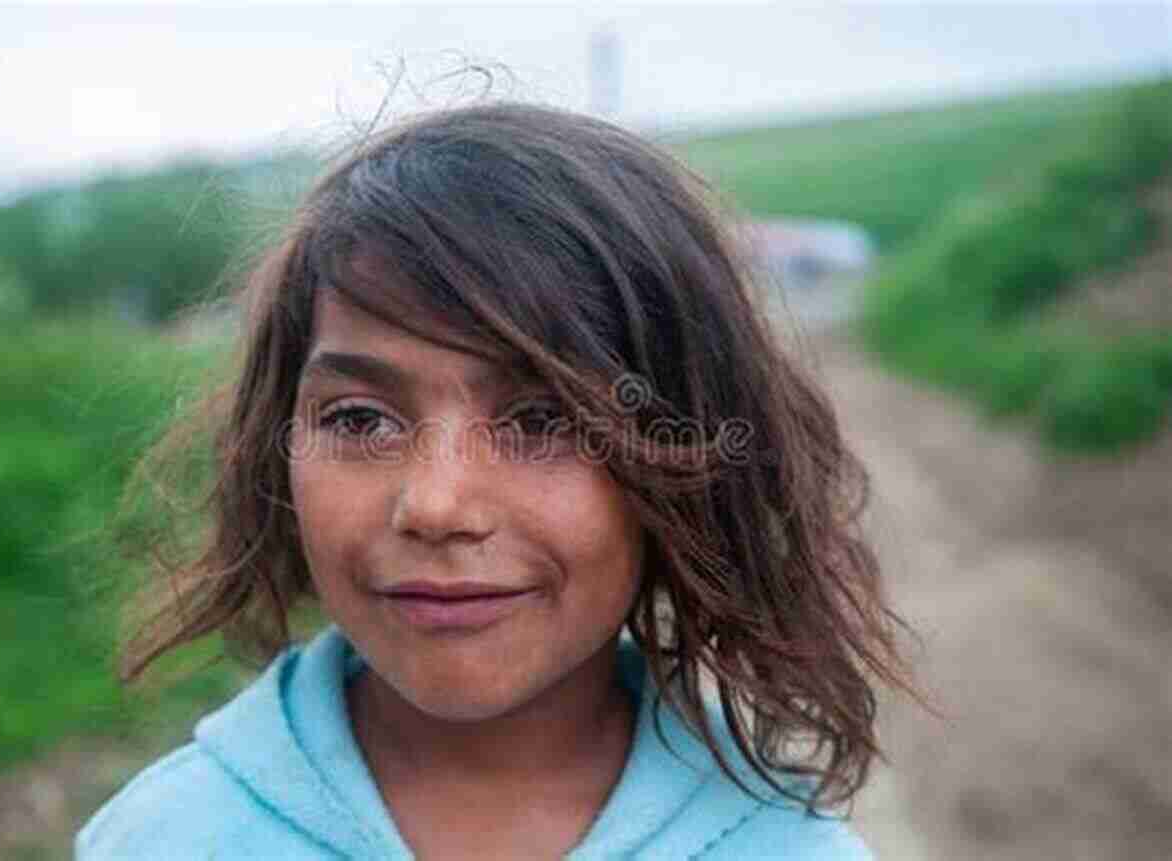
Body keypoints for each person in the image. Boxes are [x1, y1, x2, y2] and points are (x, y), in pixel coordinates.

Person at [76, 100, 921, 859]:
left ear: (688, 462)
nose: (437, 506)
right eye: (359, 419)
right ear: (278, 451)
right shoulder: (158, 840)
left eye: (545, 420)